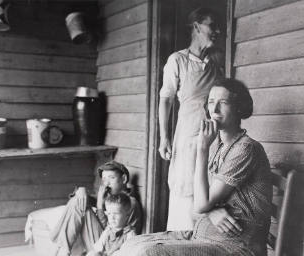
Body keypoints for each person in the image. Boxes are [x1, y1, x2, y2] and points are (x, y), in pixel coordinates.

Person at [116, 78, 272, 256]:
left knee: (148, 253)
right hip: (204, 236)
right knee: (132, 244)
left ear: (238, 107)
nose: (214, 110)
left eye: (223, 102)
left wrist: (202, 149)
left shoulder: (245, 148)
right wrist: (211, 211)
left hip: (236, 246)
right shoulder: (220, 146)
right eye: (211, 102)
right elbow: (199, 206)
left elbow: (200, 205)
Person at [158, 7, 224, 230]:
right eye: (212, 25)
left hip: (212, 138)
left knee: (208, 190)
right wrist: (164, 138)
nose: (217, 30)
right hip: (187, 137)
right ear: (197, 26)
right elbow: (166, 99)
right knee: (186, 190)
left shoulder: (216, 67)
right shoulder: (178, 60)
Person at [49, 160, 142, 256]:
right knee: (78, 199)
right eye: (104, 180)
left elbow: (114, 231)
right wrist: (81, 190)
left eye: (111, 178)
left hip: (109, 249)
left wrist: (99, 206)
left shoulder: (130, 203)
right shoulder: (109, 197)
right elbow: (84, 200)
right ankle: (62, 250)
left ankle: (61, 249)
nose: (107, 184)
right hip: (101, 244)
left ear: (124, 179)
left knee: (78, 202)